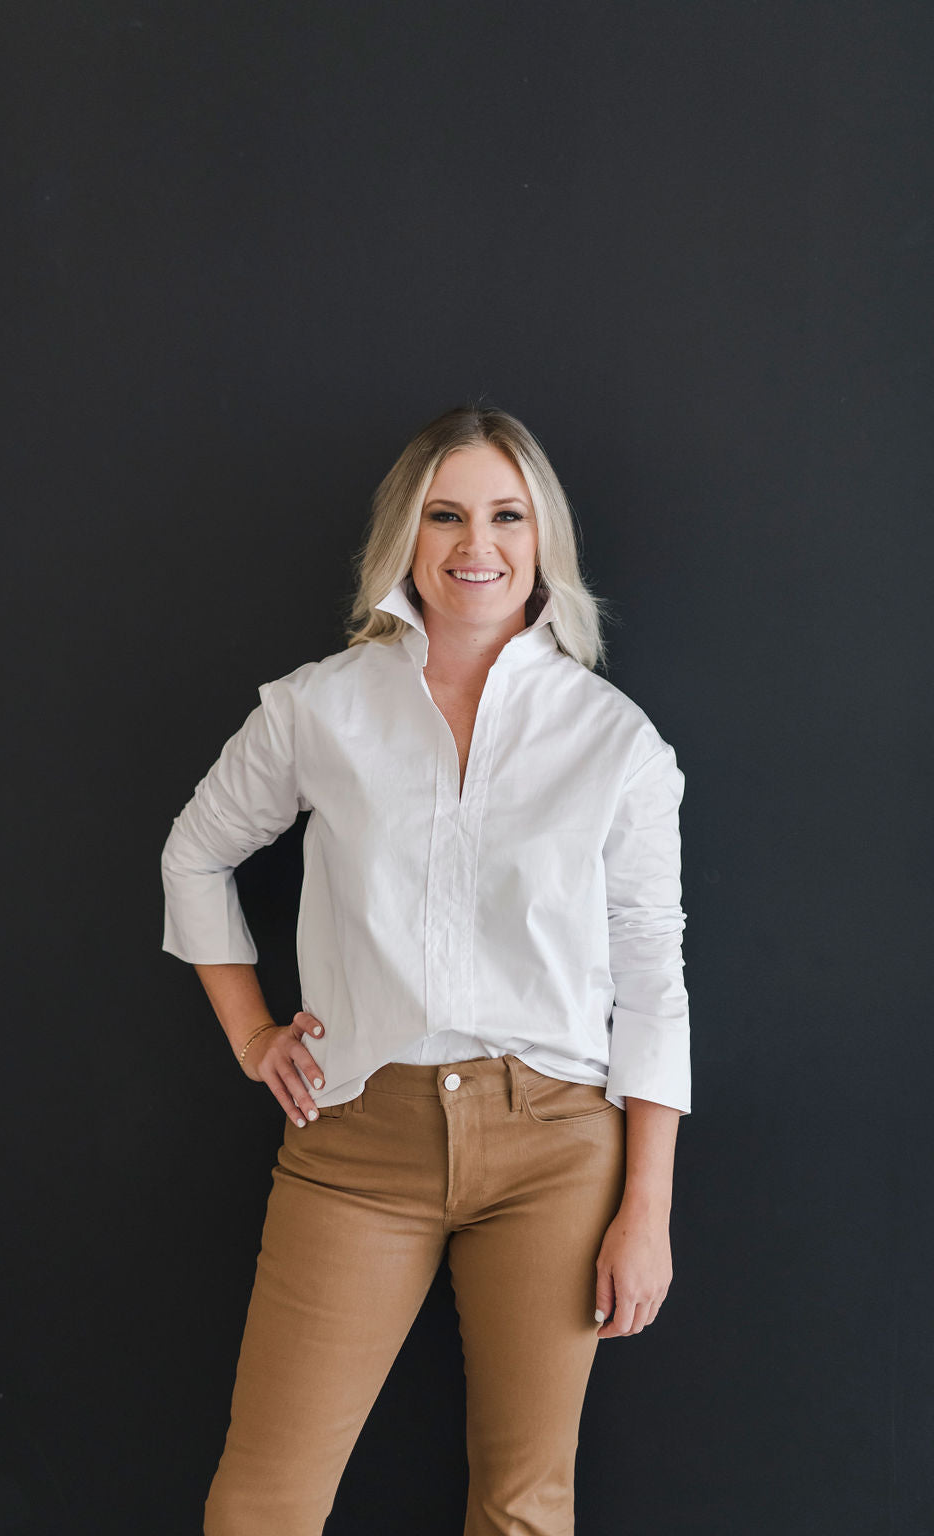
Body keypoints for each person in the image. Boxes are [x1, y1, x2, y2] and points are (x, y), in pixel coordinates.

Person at [160, 403, 691, 1536]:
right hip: (357, 1143)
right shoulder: (322, 707)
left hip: (555, 1149)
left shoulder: (614, 741)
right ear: (405, 535)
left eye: (506, 515)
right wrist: (252, 1032)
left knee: (524, 1510)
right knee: (263, 1501)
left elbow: (652, 980)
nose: (475, 545)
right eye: (444, 514)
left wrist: (644, 1209)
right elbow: (194, 853)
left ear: (542, 537)